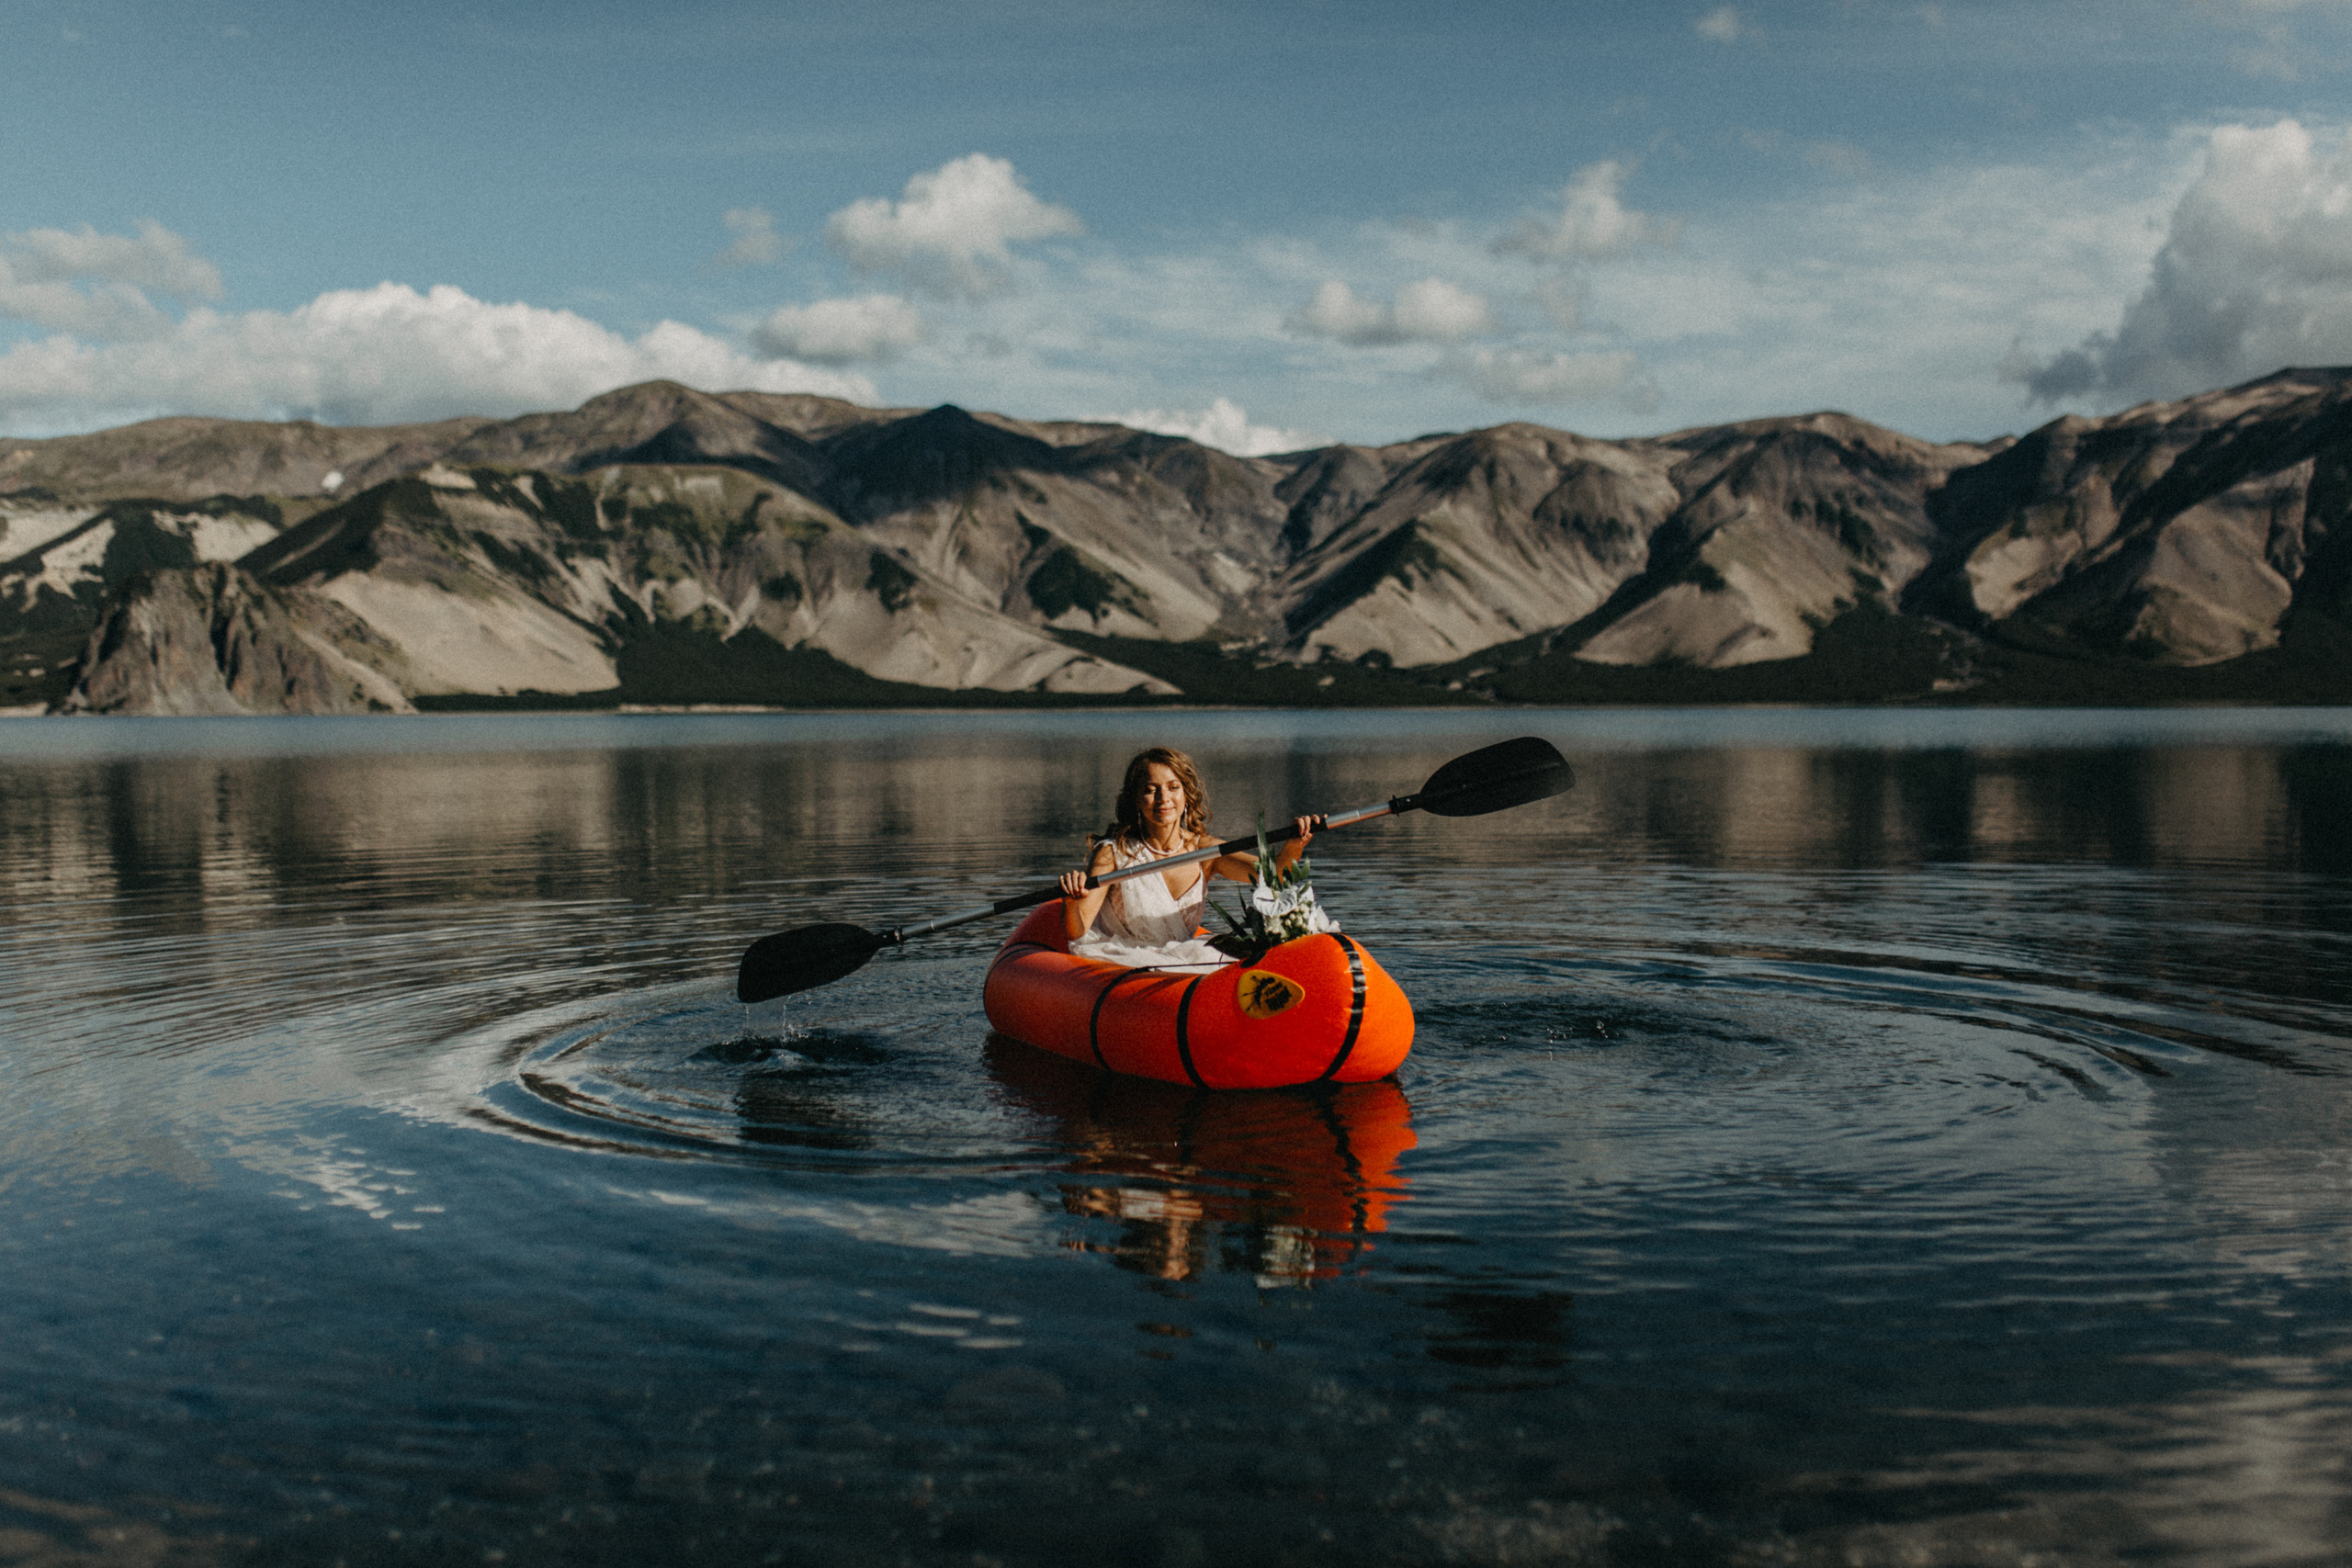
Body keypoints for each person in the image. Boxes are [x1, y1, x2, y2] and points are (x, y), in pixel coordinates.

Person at [1057, 747, 1324, 970]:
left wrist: (1295, 845)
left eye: (1173, 787)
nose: (1164, 798)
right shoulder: (1113, 852)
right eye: (1151, 789)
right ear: (1137, 799)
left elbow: (1273, 876)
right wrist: (1071, 902)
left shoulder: (1206, 852)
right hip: (1124, 958)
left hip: (1181, 956)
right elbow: (1076, 932)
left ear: (1186, 795)